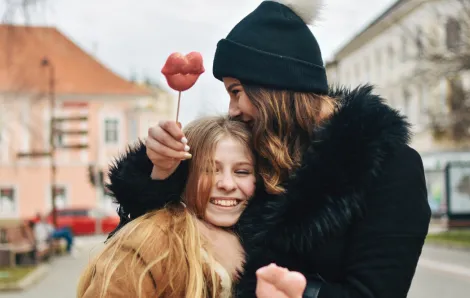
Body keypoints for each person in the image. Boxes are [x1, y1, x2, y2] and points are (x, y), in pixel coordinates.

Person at [106, 0, 431, 297]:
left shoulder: (392, 168)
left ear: (272, 86)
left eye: (236, 91)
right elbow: (148, 234)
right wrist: (157, 172)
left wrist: (299, 291)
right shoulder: (259, 154)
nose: (231, 109)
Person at [78, 116, 258, 298]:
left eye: (242, 171)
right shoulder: (151, 241)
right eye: (209, 170)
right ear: (184, 174)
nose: (227, 184)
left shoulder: (266, 244)